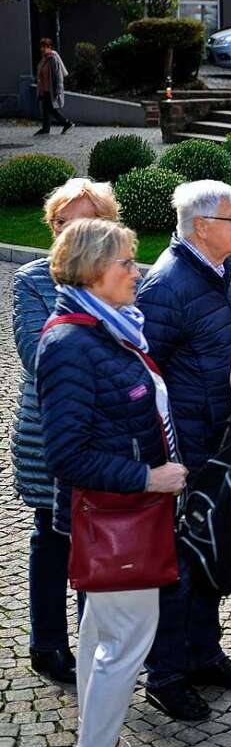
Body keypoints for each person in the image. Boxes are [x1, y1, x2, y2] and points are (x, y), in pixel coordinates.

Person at [36, 218, 189, 747]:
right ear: (94, 270)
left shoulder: (111, 326)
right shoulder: (72, 343)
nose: (135, 271)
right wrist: (148, 476)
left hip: (123, 513)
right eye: (125, 262)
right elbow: (65, 454)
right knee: (125, 646)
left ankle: (100, 745)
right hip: (116, 517)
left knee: (103, 640)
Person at [136, 180, 231, 720]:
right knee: (179, 566)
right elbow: (141, 375)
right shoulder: (168, 284)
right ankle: (167, 674)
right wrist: (165, 456)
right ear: (201, 226)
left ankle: (204, 655)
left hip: (212, 443)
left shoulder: (210, 274)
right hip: (184, 450)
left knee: (208, 556)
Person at [13, 178, 119, 686]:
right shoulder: (33, 281)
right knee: (52, 540)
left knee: (98, 544)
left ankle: (96, 641)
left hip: (108, 441)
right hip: (48, 435)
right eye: (62, 224)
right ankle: (48, 642)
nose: (71, 234)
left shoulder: (123, 278)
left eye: (86, 224)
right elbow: (36, 358)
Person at [35, 38, 73, 135]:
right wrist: (40, 91)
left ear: (50, 47)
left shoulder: (53, 59)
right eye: (42, 47)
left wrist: (58, 90)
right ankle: (45, 129)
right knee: (46, 110)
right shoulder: (44, 59)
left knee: (51, 110)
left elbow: (58, 76)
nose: (43, 49)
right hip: (45, 90)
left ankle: (67, 123)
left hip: (51, 90)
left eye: (45, 47)